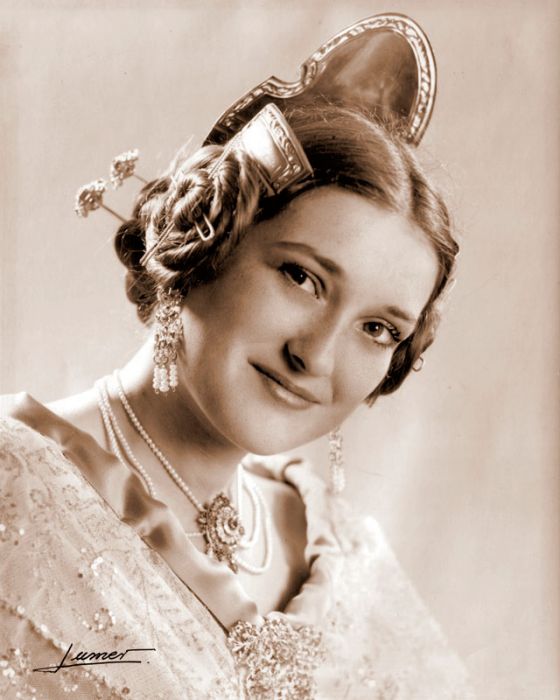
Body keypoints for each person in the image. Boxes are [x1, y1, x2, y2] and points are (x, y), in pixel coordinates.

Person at [0, 15, 474, 700]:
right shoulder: (16, 483)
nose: (316, 356)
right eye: (301, 277)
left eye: (377, 328)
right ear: (207, 242)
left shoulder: (338, 553)